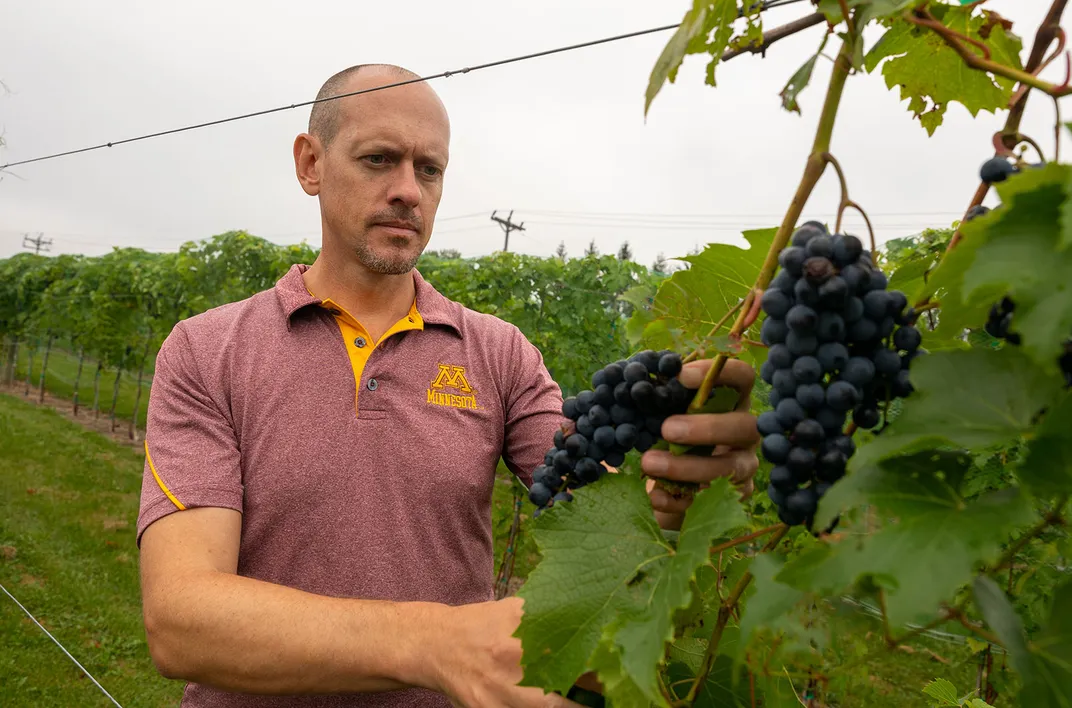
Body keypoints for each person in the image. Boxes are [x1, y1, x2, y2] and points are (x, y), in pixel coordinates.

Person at [137, 64, 760, 708]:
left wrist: (680, 477)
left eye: (428, 170)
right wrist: (435, 644)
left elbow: (599, 499)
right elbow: (183, 622)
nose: (408, 190)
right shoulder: (207, 350)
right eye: (379, 159)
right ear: (310, 163)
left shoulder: (498, 354)